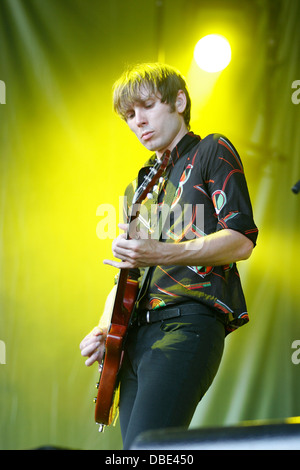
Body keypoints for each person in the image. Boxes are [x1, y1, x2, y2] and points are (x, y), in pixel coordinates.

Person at [80, 63, 258, 450]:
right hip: (135, 337)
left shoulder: (212, 149)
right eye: (129, 115)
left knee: (149, 449)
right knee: (134, 451)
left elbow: (241, 239)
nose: (137, 121)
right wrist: (103, 327)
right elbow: (127, 275)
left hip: (187, 324)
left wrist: (162, 252)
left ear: (179, 100)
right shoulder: (138, 186)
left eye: (145, 106)